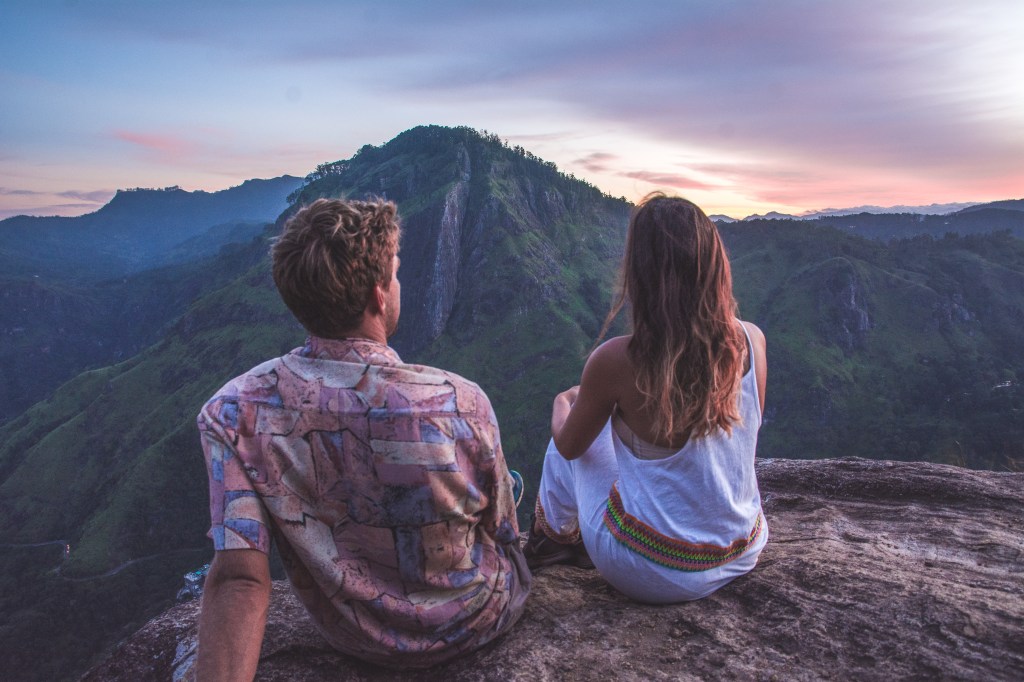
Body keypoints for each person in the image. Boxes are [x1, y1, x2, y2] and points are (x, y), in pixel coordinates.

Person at [195, 198, 530, 678]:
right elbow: (501, 530)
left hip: (354, 638)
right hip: (473, 623)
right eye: (395, 274)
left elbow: (239, 580)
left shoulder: (232, 413)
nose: (399, 284)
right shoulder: (459, 399)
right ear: (378, 295)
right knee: (507, 492)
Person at [524, 194, 768, 603]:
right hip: (743, 547)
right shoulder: (751, 339)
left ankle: (550, 543)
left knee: (566, 440)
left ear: (641, 273)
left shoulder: (619, 360)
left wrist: (563, 404)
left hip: (656, 571)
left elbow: (570, 448)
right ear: (714, 266)